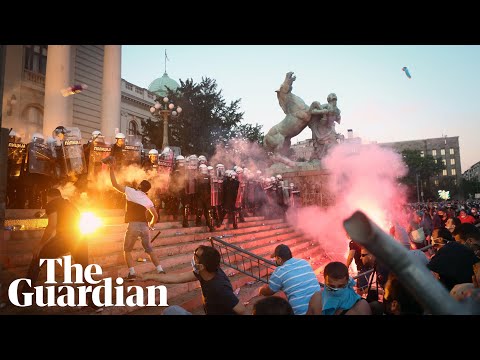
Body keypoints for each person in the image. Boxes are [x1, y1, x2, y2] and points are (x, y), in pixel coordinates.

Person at [21, 188, 102, 312]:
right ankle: (94, 303)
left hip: (65, 239)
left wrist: (40, 245)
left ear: (49, 197)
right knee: (84, 270)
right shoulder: (69, 204)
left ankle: (24, 296)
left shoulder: (52, 203)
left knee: (37, 258)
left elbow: (52, 225)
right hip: (81, 238)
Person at [141, 245, 250, 315]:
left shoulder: (219, 288)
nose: (193, 257)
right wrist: (150, 276)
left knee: (171, 311)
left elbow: (242, 310)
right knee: (171, 310)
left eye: (195, 255)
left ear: (201, 266)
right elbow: (178, 278)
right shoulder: (205, 272)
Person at [108, 163, 165, 281]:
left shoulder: (130, 191)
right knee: (149, 249)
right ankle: (160, 269)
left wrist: (111, 169)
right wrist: (151, 225)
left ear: (139, 186)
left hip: (133, 225)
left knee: (127, 250)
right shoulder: (147, 199)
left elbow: (114, 184)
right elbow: (155, 215)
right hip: (144, 226)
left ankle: (132, 273)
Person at [258, 244, 320, 315]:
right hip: (319, 307)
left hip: (301, 312)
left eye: (275, 258)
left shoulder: (280, 271)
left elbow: (269, 291)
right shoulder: (304, 262)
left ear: (279, 259)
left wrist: (261, 290)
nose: (275, 260)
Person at [306, 262, 371, 315]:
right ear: (325, 282)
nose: (336, 290)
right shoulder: (316, 299)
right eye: (331, 286)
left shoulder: (360, 306)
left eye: (341, 286)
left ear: (347, 282)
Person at [308, 93, 341, 161]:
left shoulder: (337, 110)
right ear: (329, 100)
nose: (334, 102)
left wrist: (337, 117)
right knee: (323, 144)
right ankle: (321, 157)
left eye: (335, 100)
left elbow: (338, 120)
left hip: (330, 129)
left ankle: (332, 160)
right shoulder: (326, 106)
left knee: (334, 145)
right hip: (321, 128)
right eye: (333, 100)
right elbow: (312, 111)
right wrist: (322, 111)